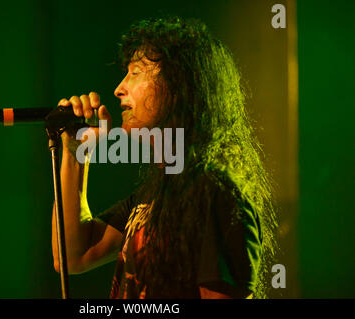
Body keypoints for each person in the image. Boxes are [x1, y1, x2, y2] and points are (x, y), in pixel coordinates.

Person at [52, 16, 278, 299]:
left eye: (135, 72)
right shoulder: (156, 194)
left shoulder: (212, 193)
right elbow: (73, 255)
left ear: (178, 85)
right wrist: (75, 152)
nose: (119, 88)